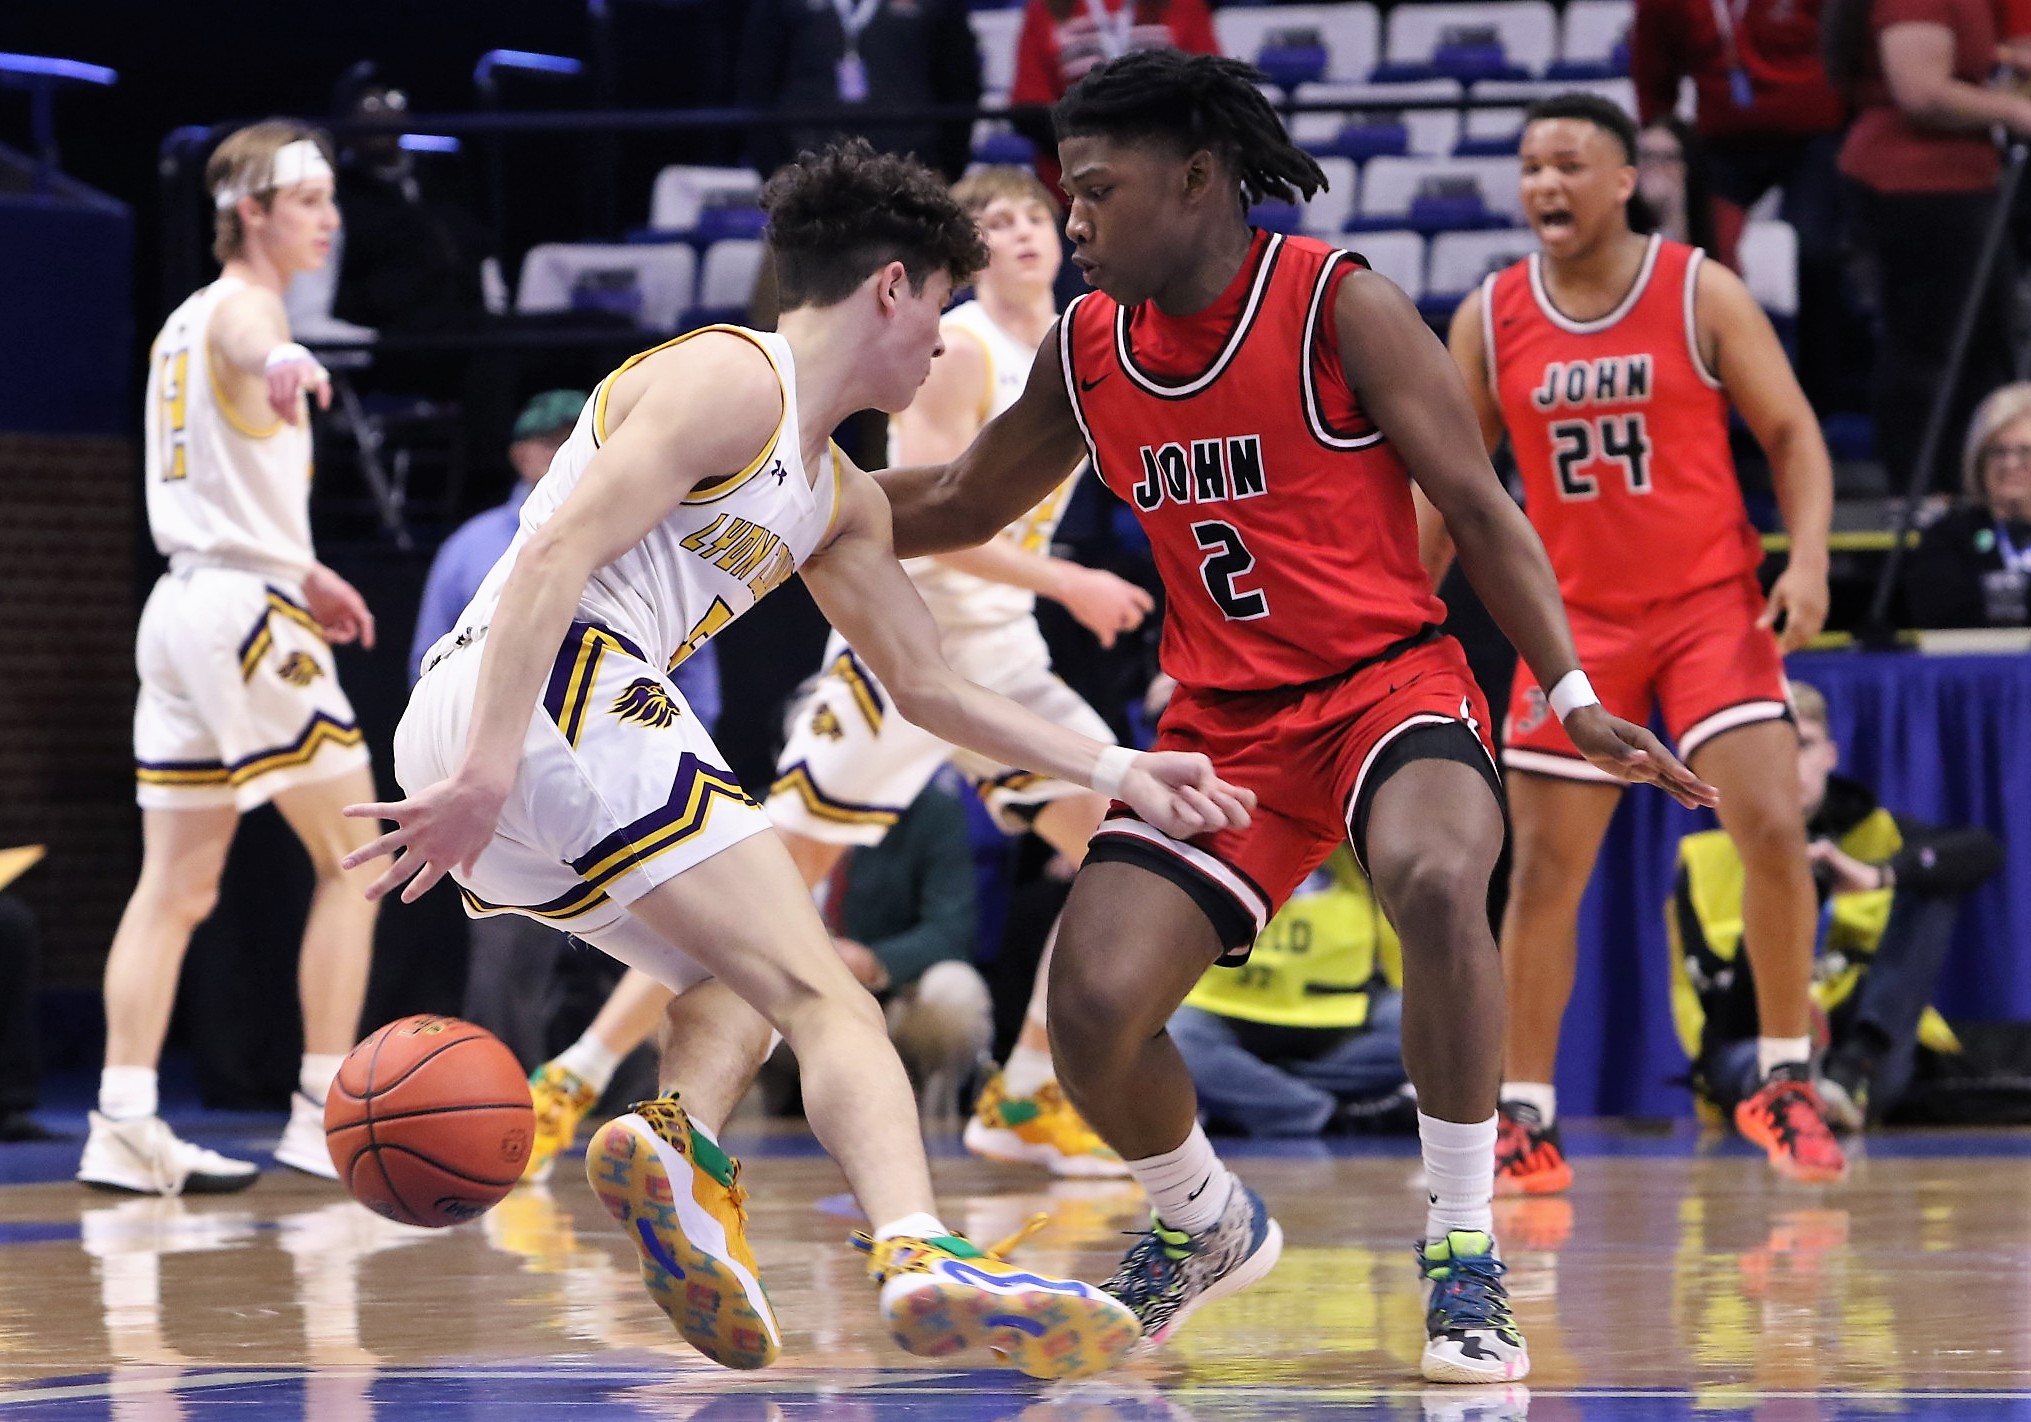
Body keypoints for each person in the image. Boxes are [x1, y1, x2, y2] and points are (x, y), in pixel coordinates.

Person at [344, 138, 1251, 1379]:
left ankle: (676, 1147)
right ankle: (923, 1253)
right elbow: (553, 555)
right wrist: (489, 772)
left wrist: (1118, 769)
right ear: (891, 286)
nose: (944, 344)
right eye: (940, 305)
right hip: (546, 687)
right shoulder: (733, 376)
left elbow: (930, 687)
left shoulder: (839, 496)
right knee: (832, 1000)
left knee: (745, 990)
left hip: (497, 730)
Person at [876, 50, 1715, 1384]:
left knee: (1435, 875)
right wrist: (775, 504)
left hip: (1386, 682)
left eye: (1096, 190)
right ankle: (1203, 1220)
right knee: (1090, 1007)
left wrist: (1570, 694)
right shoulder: (1086, 347)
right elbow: (964, 498)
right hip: (1222, 724)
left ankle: (1462, 1247)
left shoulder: (1336, 301)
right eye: (1065, 193)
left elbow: (1478, 504)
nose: (1074, 221)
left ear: (1197, 180)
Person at [516, 165, 1151, 1185]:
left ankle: (1028, 1092)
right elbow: (940, 512)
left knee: (1119, 847)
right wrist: (1068, 582)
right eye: (996, 222)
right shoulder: (956, 349)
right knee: (769, 890)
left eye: (1034, 215)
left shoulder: (1072, 347)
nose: (1024, 233)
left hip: (996, 655)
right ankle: (579, 1073)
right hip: (906, 644)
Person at [1436, 93, 1844, 1195]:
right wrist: (1396, 612)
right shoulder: (1489, 315)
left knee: (1770, 824)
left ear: (1625, 181)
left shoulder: (1697, 288)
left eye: (1569, 164)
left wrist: (1806, 560)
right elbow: (1453, 488)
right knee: (1543, 874)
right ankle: (1526, 1115)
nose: (1545, 183)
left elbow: (1792, 432)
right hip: (1574, 620)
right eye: (1531, 166)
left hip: (1708, 602)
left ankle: (1785, 1077)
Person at [77, 122, 383, 1196]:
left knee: (175, 887)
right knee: (360, 860)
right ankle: (322, 1110)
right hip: (243, 617)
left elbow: (219, 481)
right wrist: (285, 357)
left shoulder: (179, 323)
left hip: (184, 606)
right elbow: (259, 341)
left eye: (331, 198)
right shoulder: (251, 311)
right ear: (250, 211)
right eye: (308, 200)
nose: (329, 218)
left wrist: (303, 568)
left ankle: (122, 1121)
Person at [410, 389, 718, 1074]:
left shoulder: (650, 523)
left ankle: (635, 1095)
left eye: (574, 437)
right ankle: (507, 1104)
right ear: (521, 455)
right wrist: (468, 766)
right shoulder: (472, 547)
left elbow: (696, 661)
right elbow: (429, 666)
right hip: (513, 769)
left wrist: (679, 760)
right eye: (550, 441)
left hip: (628, 762)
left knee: (670, 955)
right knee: (507, 959)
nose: (564, 452)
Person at [1670, 681, 2003, 1125]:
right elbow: (1721, 1017)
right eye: (1773, 749)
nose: (1788, 763)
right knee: (1747, 1058)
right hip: (1754, 1043)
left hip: (1862, 1050)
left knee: (1931, 883)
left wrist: (1879, 875)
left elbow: (1984, 850)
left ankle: (1843, 1078)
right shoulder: (1704, 860)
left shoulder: (1880, 836)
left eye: (1803, 745)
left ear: (1829, 755)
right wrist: (1787, 890)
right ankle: (1793, 1090)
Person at [1823, 0, 2031, 495]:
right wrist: (2015, 111)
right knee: (1932, 349)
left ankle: (1974, 491)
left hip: (1962, 179)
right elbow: (1920, 90)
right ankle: (1924, 494)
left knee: (1984, 348)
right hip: (1918, 185)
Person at [1631, 0, 1847, 405]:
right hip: (1722, 140)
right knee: (1706, 259)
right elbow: (1652, 71)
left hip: (1814, 134)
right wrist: (1659, 143)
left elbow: (1846, 45)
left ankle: (1817, 398)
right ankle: (1706, 385)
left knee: (1815, 253)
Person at [761, 777, 992, 1121]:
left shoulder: (932, 809)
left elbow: (951, 929)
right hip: (792, 996)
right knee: (713, 988)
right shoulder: (764, 808)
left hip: (892, 995)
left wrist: (871, 961)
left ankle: (938, 1114)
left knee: (955, 990)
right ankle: (705, 1129)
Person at [1168, 846, 1412, 1138]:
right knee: (1170, 1041)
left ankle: (1248, 1094)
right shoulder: (1209, 842)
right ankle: (1329, 1117)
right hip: (1221, 1006)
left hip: (1340, 1009)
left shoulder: (1356, 848)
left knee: (1430, 1030)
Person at [737, 0, 982, 183]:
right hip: (806, 164)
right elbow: (757, 80)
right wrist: (771, 165)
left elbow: (960, 82)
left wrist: (947, 167)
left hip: (911, 165)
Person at [1009, 0, 1219, 200]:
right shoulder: (1044, 9)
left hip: (1168, 183)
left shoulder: (1185, 5)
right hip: (1075, 189)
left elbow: (1211, 92)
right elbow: (1030, 110)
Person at [1904, 381, 2031, 627]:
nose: (2010, 464)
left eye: (2025, 452)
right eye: (1998, 452)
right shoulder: (1946, 537)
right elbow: (1939, 609)